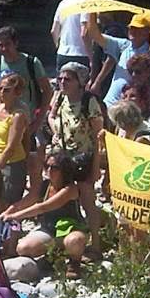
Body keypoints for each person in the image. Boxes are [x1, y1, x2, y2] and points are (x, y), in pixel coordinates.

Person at [47, 62, 105, 259]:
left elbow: (99, 136)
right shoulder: (60, 97)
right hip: (64, 156)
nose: (62, 82)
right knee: (65, 198)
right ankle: (69, 240)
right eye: (61, 78)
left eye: (67, 79)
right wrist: (56, 130)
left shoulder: (89, 102)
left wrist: (96, 166)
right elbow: (52, 116)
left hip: (84, 158)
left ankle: (96, 244)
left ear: (79, 82)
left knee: (88, 200)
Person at [0, 151, 89, 277]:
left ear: (64, 170)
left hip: (70, 229)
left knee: (74, 241)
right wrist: (8, 212)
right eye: (47, 166)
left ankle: (74, 262)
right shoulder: (45, 186)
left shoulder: (70, 189)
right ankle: (55, 253)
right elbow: (29, 199)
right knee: (23, 248)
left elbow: (43, 207)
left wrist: (15, 216)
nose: (49, 170)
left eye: (55, 167)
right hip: (49, 230)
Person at [89, 12, 150, 102]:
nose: (133, 31)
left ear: (146, 32)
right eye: (131, 28)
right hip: (110, 102)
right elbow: (95, 35)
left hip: (131, 106)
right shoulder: (122, 45)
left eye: (138, 28)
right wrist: (92, 11)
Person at [0, 71, 30, 213]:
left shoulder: (18, 115)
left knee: (11, 202)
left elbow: (11, 146)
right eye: (0, 88)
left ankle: (13, 231)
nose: (2, 92)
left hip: (12, 163)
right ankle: (3, 228)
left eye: (7, 90)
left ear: (16, 92)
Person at [51, 0, 102, 70]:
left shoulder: (64, 2)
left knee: (62, 83)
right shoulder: (88, 4)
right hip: (81, 55)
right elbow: (84, 33)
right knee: (83, 85)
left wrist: (58, 47)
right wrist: (91, 58)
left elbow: (54, 30)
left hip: (62, 54)